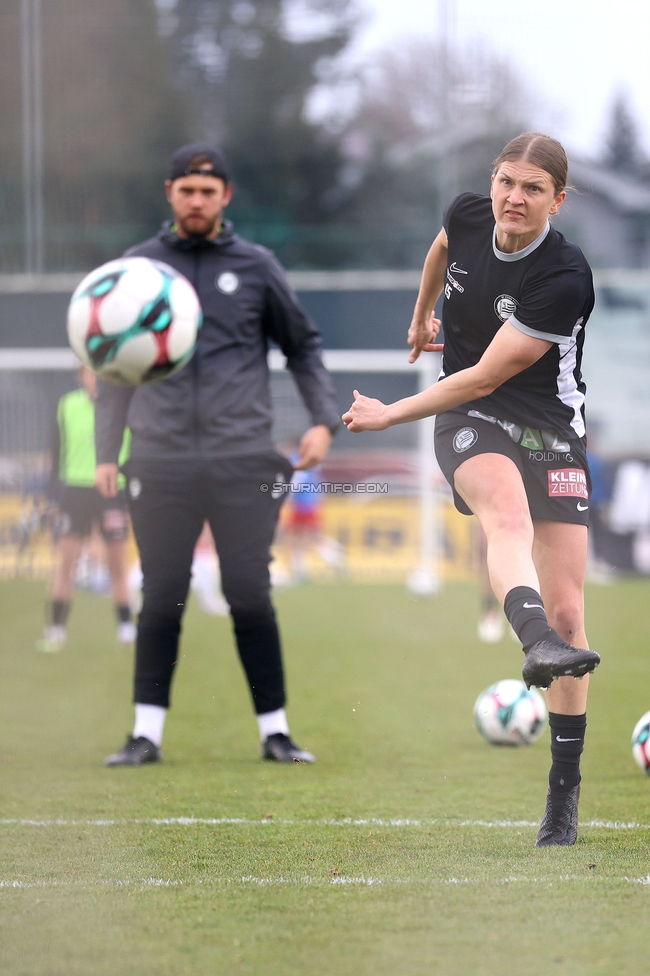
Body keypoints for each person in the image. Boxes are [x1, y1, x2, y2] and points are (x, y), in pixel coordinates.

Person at [343, 133, 600, 847]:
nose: (513, 198)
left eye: (532, 189)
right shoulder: (466, 215)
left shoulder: (564, 274)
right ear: (491, 182)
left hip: (548, 425)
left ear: (558, 199)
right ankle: (533, 642)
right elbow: (440, 250)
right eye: (505, 182)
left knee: (573, 614)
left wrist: (389, 411)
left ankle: (562, 794)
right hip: (468, 416)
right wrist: (422, 312)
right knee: (505, 513)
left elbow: (490, 371)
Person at [95, 143, 339, 767]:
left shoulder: (256, 266)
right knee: (164, 592)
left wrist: (323, 420)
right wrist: (106, 451)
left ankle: (276, 732)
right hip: (160, 458)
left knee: (249, 592)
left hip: (245, 459)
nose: (197, 200)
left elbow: (303, 346)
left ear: (225, 196)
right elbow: (114, 366)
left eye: (208, 190)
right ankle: (144, 734)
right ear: (169, 194)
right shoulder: (138, 268)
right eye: (186, 189)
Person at [38, 365, 135, 652]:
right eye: (89, 373)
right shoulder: (67, 405)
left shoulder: (124, 404)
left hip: (112, 489)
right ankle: (56, 629)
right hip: (77, 491)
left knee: (118, 565)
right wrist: (54, 497)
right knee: (66, 563)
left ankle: (126, 628)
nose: (94, 378)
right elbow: (57, 453)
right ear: (80, 376)